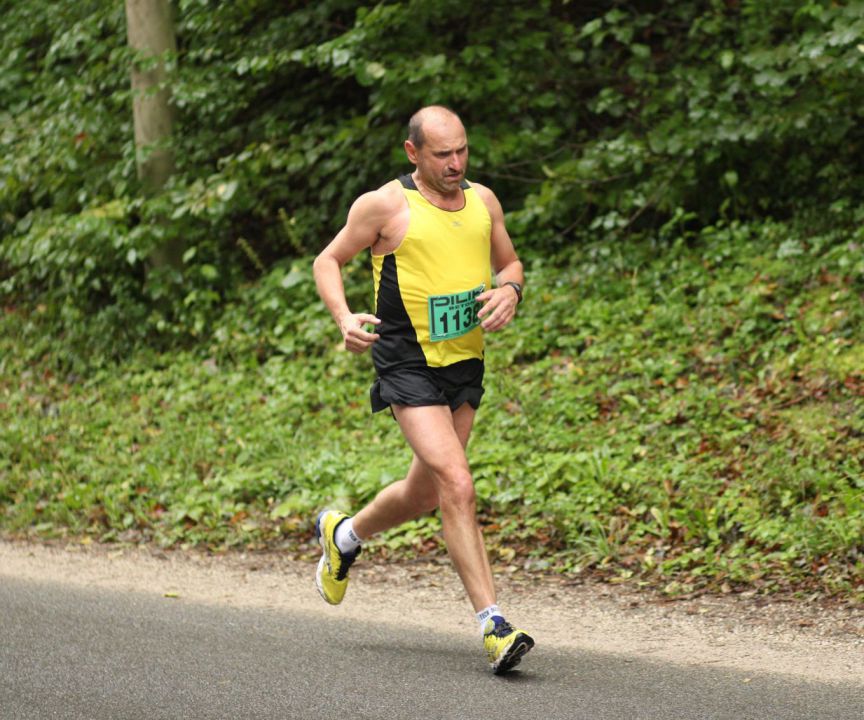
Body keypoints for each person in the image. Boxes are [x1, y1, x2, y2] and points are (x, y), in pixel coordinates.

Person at [311, 105, 534, 674]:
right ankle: (494, 625)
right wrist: (344, 317)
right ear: (413, 153)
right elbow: (328, 260)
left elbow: (510, 264)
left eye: (462, 150)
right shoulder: (385, 205)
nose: (456, 163)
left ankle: (345, 534)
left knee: (427, 492)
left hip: (464, 362)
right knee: (458, 483)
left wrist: (510, 291)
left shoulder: (483, 202)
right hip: (406, 362)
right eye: (443, 154)